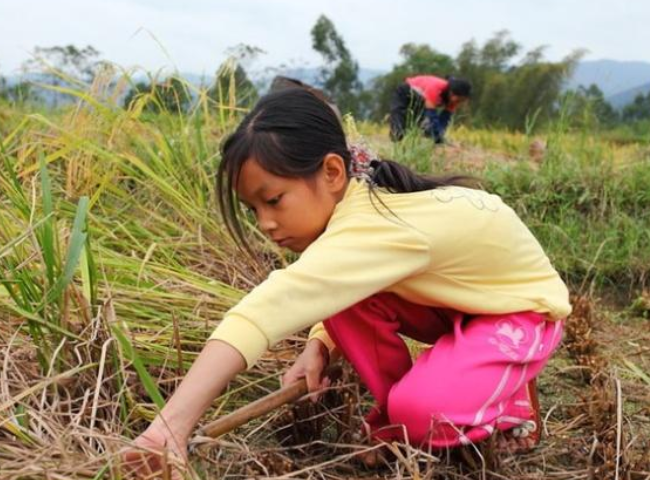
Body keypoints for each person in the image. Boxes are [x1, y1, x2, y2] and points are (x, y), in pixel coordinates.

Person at [122, 87, 570, 476]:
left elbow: (265, 310)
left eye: (274, 200)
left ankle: (509, 406)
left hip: (518, 310)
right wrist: (320, 340)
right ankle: (401, 416)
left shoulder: (374, 225)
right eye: (254, 211)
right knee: (343, 307)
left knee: (424, 414)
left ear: (333, 172)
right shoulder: (356, 215)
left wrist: (171, 426)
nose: (266, 224)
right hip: (457, 301)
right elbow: (334, 287)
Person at [390, 75, 472, 143]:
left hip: (421, 99)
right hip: (406, 91)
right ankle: (396, 140)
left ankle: (414, 144)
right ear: (451, 93)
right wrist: (437, 137)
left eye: (462, 100)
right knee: (399, 120)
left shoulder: (454, 101)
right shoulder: (436, 87)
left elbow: (444, 120)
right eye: (458, 99)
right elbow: (431, 116)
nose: (458, 102)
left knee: (421, 125)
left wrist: (439, 136)